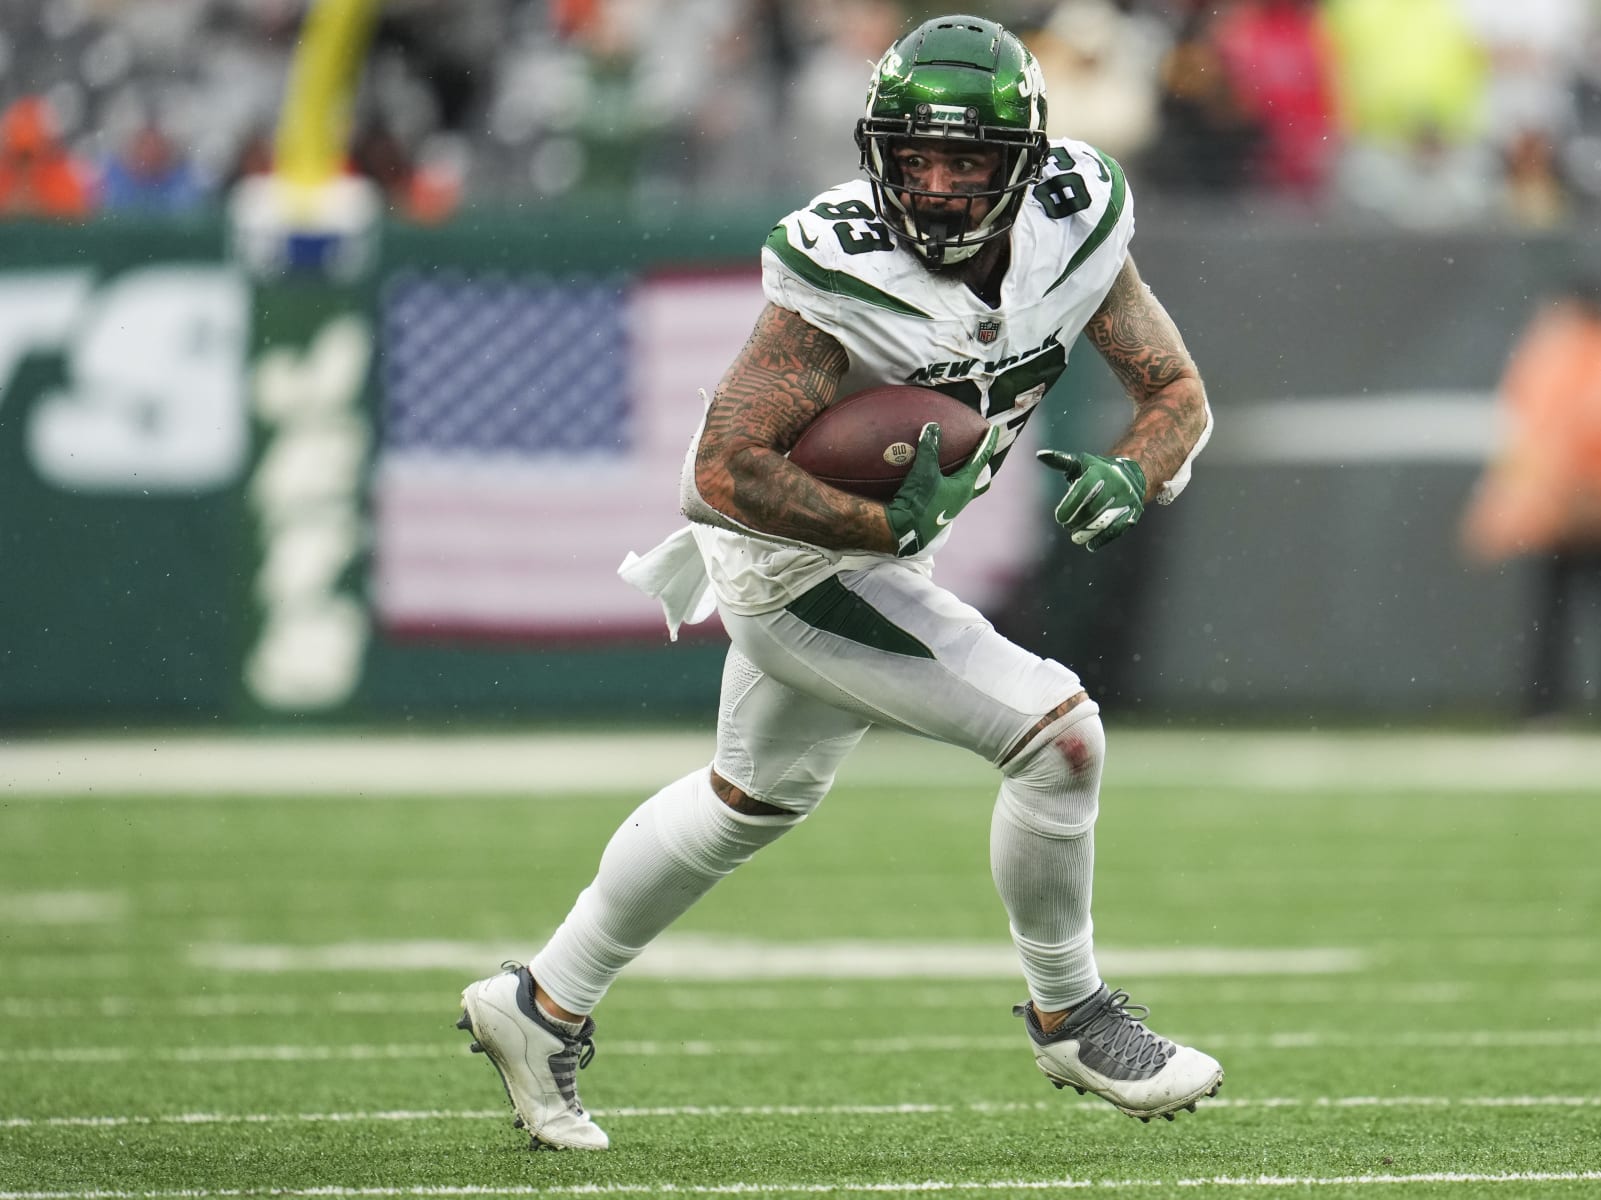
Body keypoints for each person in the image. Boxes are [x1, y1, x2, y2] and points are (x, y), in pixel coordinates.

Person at [455, 13, 1221, 1150]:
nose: (938, 187)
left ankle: (539, 1004)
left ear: (1025, 165)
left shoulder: (1076, 219)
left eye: (967, 161)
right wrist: (875, 519)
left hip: (877, 554)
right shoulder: (844, 264)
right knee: (1058, 737)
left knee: (748, 802)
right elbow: (722, 470)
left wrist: (1131, 474)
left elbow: (1175, 394)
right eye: (915, 158)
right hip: (795, 563)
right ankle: (1071, 1013)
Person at [1461, 279, 1601, 722]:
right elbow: (1524, 442)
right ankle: (1571, 711)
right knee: (1561, 618)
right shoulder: (1553, 366)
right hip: (1565, 512)